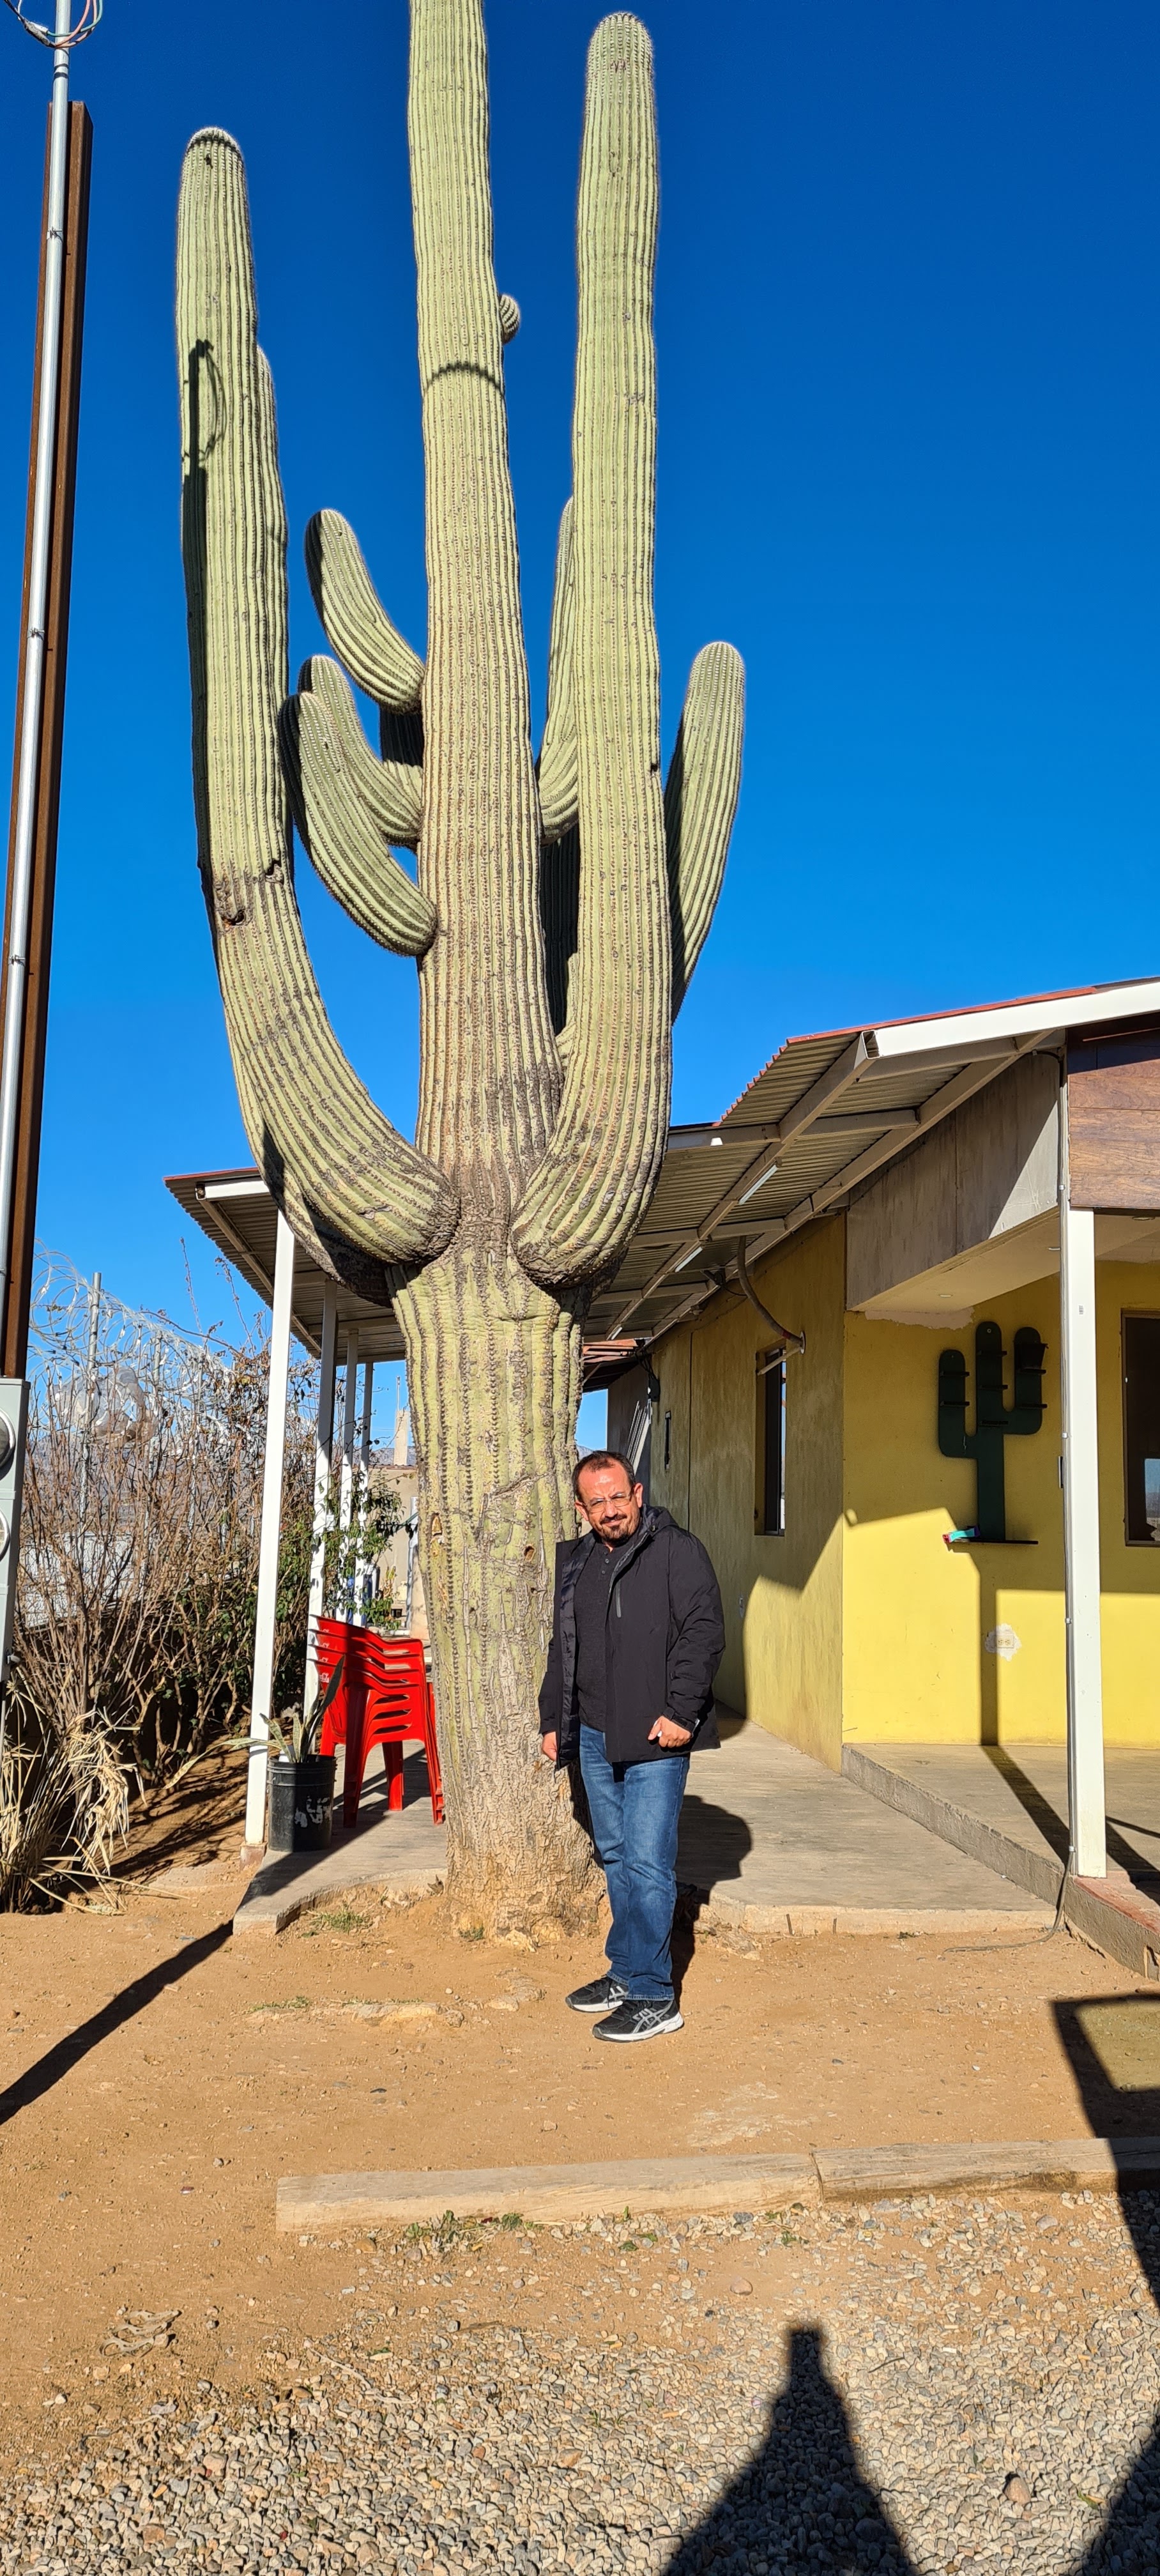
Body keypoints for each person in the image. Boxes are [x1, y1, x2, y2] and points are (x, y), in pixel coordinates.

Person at [538, 1450, 725, 2043]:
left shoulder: (676, 1551)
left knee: (647, 1862)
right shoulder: (579, 1561)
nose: (611, 1510)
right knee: (617, 1856)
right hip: (595, 1733)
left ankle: (654, 1995)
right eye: (598, 1502)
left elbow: (704, 1632)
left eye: (619, 1496)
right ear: (582, 1508)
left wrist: (682, 1712)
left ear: (638, 1493)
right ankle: (626, 1971)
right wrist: (554, 1719)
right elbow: (562, 1646)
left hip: (655, 1737)